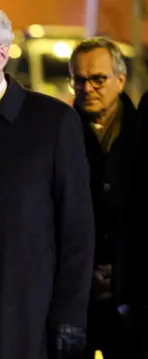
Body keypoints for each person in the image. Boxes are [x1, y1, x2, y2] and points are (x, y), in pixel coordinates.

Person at [0, 3, 95, 359]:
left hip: (24, 317)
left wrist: (70, 315)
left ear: (0, 55)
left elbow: (76, 227)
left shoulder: (51, 122)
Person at [70, 37, 144, 359]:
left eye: (98, 79)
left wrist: (124, 271)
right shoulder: (61, 132)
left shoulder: (141, 132)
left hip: (135, 292)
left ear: (121, 79)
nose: (88, 88)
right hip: (78, 291)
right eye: (79, 80)